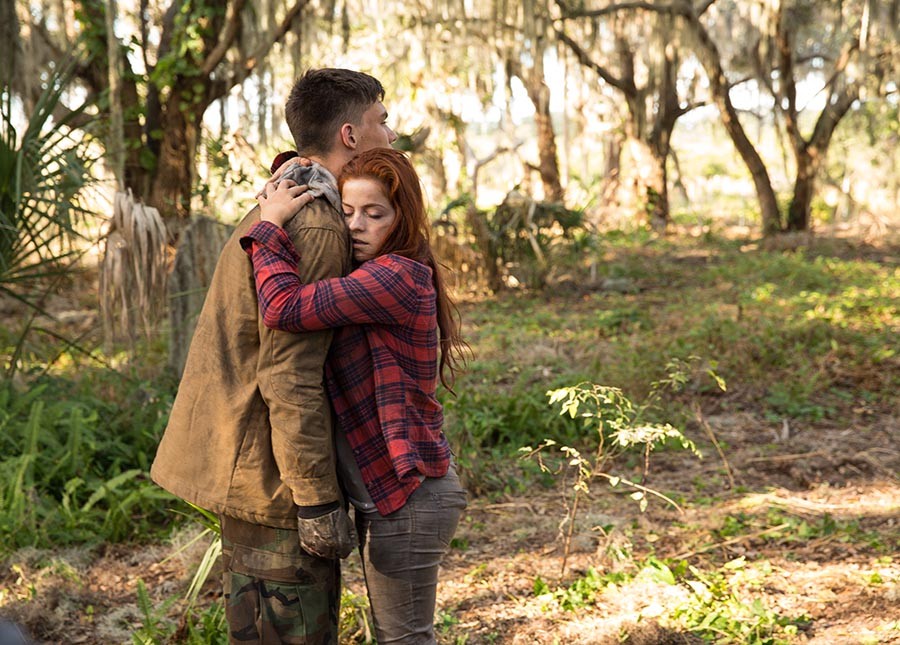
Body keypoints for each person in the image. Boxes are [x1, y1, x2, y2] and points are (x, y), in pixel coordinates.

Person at [150, 68, 397, 643]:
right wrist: (314, 500)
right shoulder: (314, 221)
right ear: (350, 136)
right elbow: (289, 371)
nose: (392, 133)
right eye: (382, 120)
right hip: (274, 478)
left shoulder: (290, 199)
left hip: (259, 466)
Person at [240, 147, 469, 644]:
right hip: (387, 495)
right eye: (346, 212)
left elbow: (282, 307)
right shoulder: (374, 272)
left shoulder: (396, 276)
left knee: (405, 639)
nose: (356, 226)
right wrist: (294, 169)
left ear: (401, 218)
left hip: (409, 497)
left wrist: (270, 225)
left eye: (374, 213)